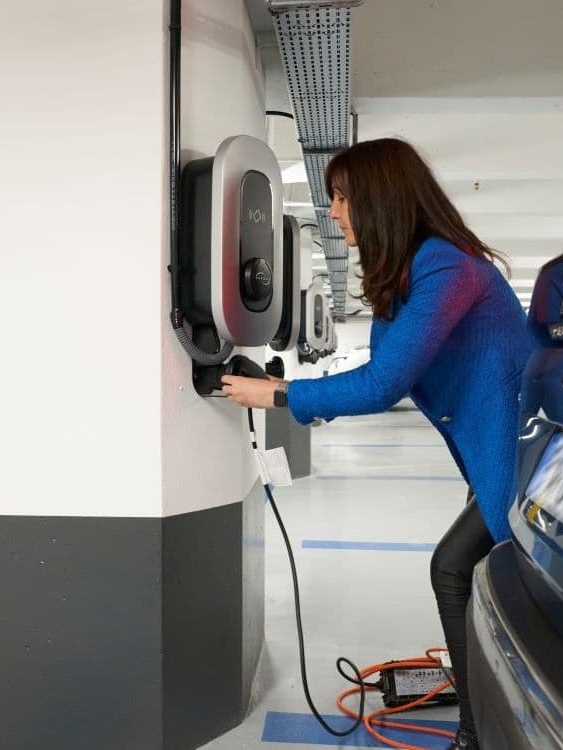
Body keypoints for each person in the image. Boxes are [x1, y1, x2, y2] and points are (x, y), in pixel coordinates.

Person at [221, 137, 533, 750]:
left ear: (380, 200)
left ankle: (480, 732)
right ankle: (483, 718)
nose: (334, 213)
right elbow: (382, 362)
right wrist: (293, 384)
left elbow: (384, 383)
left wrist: (281, 399)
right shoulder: (414, 275)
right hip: (490, 453)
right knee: (469, 573)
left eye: (341, 198)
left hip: (516, 450)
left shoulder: (448, 266)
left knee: (457, 568)